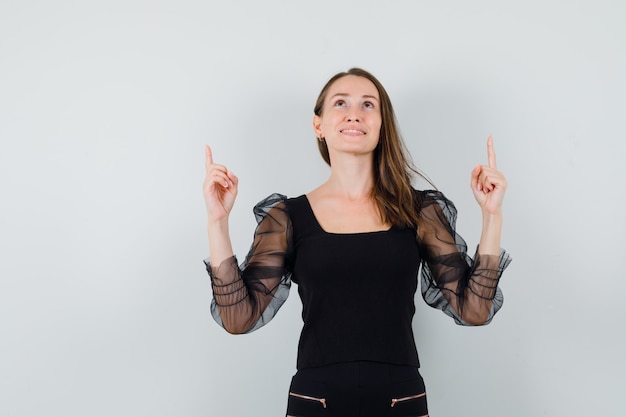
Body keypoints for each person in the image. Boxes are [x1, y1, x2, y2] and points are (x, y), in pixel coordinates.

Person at [202, 68, 511, 417]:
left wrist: (492, 216)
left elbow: (474, 310)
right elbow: (238, 318)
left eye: (368, 104)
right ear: (318, 125)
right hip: (316, 400)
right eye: (340, 103)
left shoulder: (420, 210)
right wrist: (218, 221)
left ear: (381, 125)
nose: (354, 113)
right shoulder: (287, 216)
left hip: (400, 400)